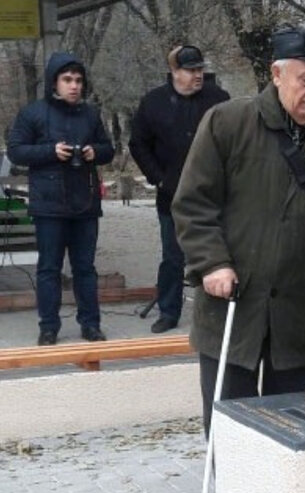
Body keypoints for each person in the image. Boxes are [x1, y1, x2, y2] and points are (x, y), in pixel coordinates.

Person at [172, 26, 305, 434]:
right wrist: (211, 262)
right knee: (230, 429)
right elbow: (192, 203)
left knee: (298, 430)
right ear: (276, 74)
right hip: (233, 305)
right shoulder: (227, 122)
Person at [7, 52, 115, 345]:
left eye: (79, 80)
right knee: (49, 269)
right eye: (68, 80)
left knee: (85, 268)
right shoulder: (33, 113)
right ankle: (48, 327)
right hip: (49, 204)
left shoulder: (91, 114)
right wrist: (50, 151)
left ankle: (91, 324)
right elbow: (15, 151)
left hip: (85, 203)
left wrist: (95, 152)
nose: (74, 86)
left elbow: (109, 149)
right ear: (55, 81)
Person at [129, 45, 231, 333]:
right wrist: (158, 178)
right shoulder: (154, 102)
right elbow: (138, 144)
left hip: (213, 194)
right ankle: (169, 311)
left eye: (200, 69)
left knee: (216, 254)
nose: (198, 75)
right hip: (171, 194)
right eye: (191, 70)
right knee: (172, 257)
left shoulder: (218, 100)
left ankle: (217, 312)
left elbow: (232, 140)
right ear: (174, 71)